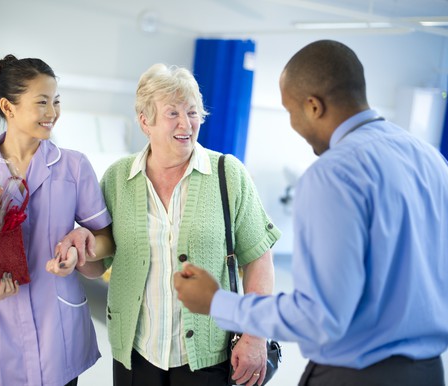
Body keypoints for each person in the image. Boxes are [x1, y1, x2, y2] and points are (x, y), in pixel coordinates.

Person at [174, 40, 448, 386]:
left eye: (290, 111)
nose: (293, 124)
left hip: (355, 376)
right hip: (428, 373)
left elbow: (319, 318)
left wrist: (218, 303)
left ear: (313, 106)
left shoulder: (333, 174)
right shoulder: (433, 160)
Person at [59, 63, 281, 386]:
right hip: (137, 353)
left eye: (192, 112)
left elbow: (259, 259)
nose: (186, 124)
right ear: (145, 121)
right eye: (172, 113)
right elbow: (100, 265)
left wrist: (256, 336)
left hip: (209, 354)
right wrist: (80, 252)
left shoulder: (228, 175)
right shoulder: (118, 179)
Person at [0, 54, 114, 386]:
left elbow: (105, 240)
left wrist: (79, 252)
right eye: (42, 102)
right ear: (8, 108)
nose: (52, 112)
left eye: (56, 101)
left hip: (56, 324)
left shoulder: (74, 167)